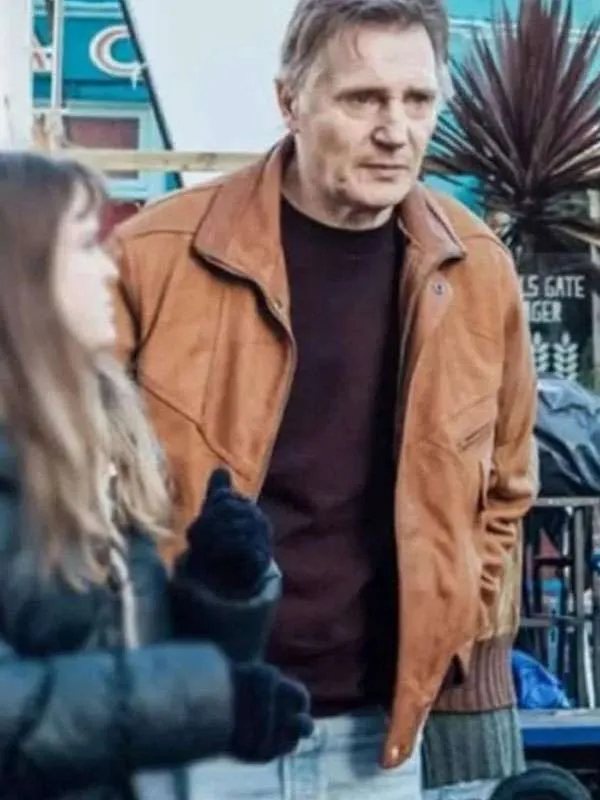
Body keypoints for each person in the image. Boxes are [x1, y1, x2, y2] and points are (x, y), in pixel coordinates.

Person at [110, 0, 537, 796]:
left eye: (417, 100)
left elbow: (507, 487)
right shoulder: (155, 256)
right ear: (290, 102)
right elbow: (55, 478)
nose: (395, 131)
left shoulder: (476, 271)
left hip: (378, 738)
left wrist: (452, 626)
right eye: (363, 98)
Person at [0, 151, 312, 800]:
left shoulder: (92, 440)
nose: (107, 266)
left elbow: (123, 657)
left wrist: (219, 592)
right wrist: (211, 701)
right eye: (84, 245)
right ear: (20, 273)